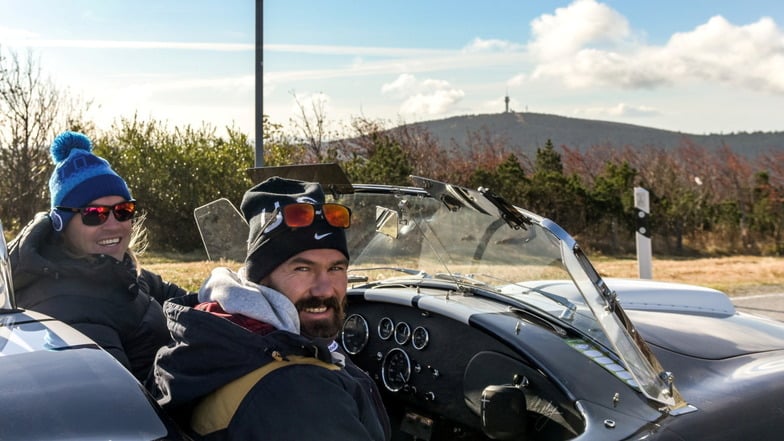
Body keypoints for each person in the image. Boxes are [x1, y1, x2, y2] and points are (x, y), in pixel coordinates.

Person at [151, 177, 391, 441]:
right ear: (260, 278)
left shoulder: (224, 332)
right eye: (303, 269)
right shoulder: (301, 392)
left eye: (336, 268)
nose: (324, 289)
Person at [8, 130, 191, 383]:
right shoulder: (71, 305)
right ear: (61, 223)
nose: (114, 224)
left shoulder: (115, 271)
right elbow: (118, 396)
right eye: (94, 214)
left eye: (123, 210)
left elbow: (174, 295)